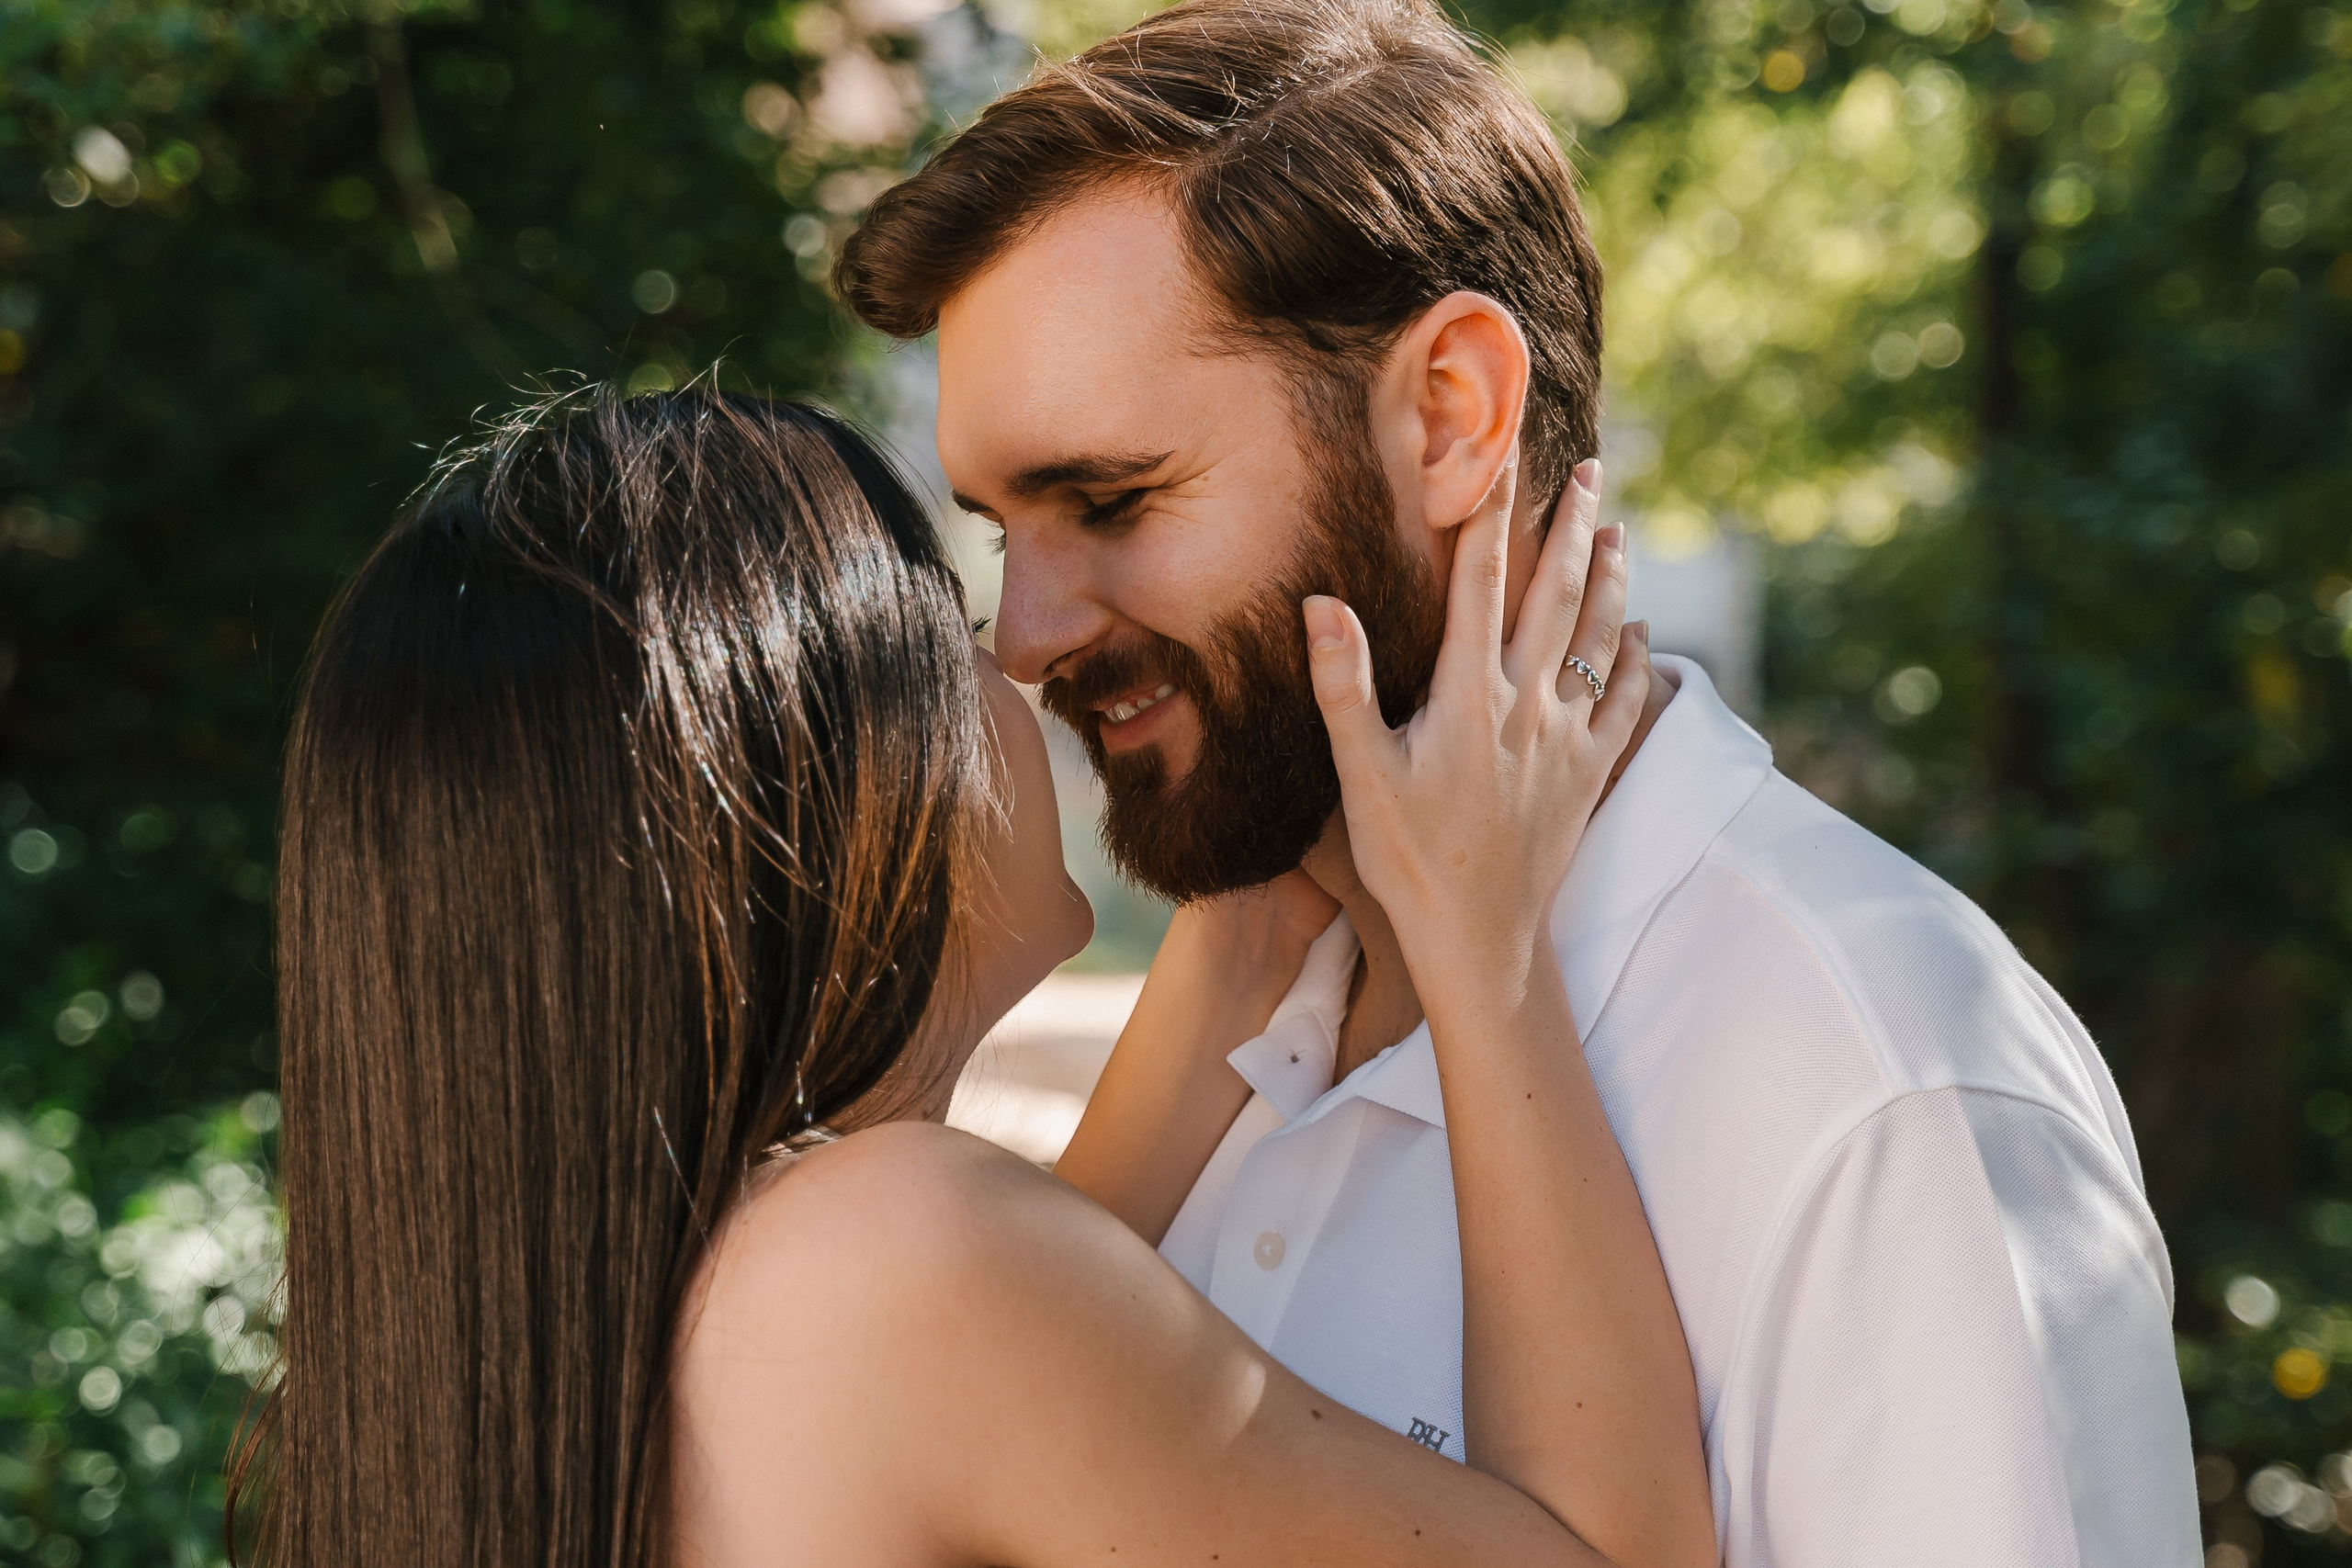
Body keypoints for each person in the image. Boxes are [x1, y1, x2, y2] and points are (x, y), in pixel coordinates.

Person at [835, 0, 2204, 1561]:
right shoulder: (1248, 1004)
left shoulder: (1881, 1087)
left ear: (1448, 417)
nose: (1024, 634)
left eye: (1112, 498)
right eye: (1010, 529)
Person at [232, 381, 1714, 1566]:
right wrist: (1485, 942)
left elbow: (1023, 1346)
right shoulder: (892, 1259)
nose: (1019, 657)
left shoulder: (510, 1346)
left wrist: (1245, 880)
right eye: (949, 629)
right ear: (820, 798)